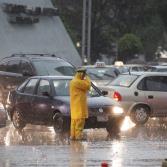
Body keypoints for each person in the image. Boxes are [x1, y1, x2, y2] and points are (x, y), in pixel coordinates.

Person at [69, 67, 91, 140]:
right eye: (84, 73)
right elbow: (88, 86)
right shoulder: (77, 82)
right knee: (79, 124)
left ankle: (73, 137)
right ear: (81, 73)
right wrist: (87, 78)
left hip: (75, 108)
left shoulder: (73, 81)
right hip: (79, 108)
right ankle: (78, 138)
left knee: (74, 124)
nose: (84, 75)